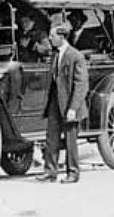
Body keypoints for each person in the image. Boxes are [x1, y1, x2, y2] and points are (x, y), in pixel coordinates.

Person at [37, 24, 88, 184]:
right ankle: (50, 172)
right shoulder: (55, 54)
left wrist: (73, 108)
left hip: (69, 104)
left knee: (70, 139)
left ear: (62, 37)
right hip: (55, 103)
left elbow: (81, 84)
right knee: (51, 138)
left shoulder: (75, 56)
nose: (50, 39)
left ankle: (73, 173)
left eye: (52, 36)